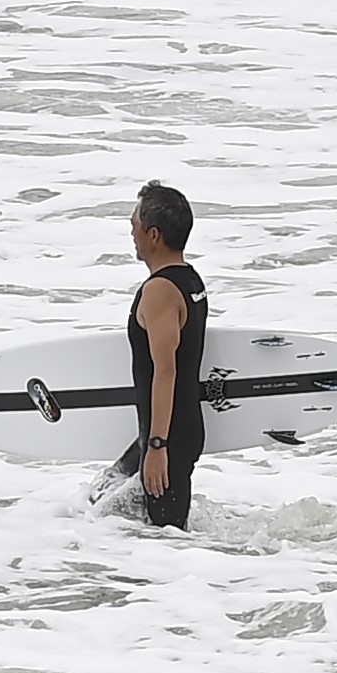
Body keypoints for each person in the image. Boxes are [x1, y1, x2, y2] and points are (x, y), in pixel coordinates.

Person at [122, 181, 209, 530]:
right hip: (180, 427)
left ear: (153, 234)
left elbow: (166, 371)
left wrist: (158, 446)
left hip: (168, 436)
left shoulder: (159, 291)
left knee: (167, 540)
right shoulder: (191, 281)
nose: (131, 232)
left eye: (134, 225)